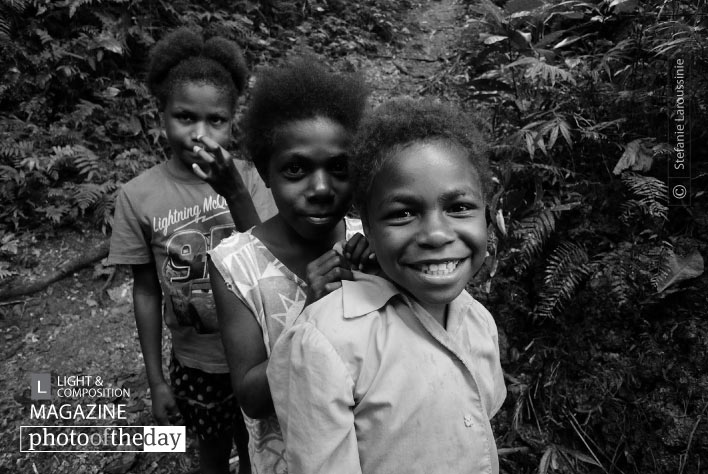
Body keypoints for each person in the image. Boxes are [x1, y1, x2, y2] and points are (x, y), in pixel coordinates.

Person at [266, 99, 507, 474]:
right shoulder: (325, 343)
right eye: (403, 213)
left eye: (459, 207)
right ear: (367, 226)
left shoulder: (479, 322)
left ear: (488, 211)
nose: (437, 235)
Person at [107, 28, 277, 474]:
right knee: (212, 453)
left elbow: (272, 261)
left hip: (260, 355)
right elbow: (146, 291)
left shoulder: (252, 177)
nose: (200, 134)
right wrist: (156, 380)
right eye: (185, 117)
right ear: (160, 113)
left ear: (231, 119)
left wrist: (235, 192)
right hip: (196, 364)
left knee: (261, 450)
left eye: (216, 121)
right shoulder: (137, 196)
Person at [208, 57, 370, 474]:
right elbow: (253, 399)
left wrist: (384, 280)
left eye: (338, 167)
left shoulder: (371, 240)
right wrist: (310, 314)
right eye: (296, 169)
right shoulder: (235, 266)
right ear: (265, 172)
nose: (320, 189)